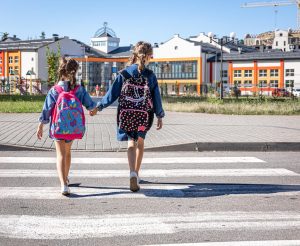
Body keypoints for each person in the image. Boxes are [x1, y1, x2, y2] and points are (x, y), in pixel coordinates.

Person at [90, 41, 165, 192]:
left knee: (131, 143)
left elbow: (112, 94)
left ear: (134, 55)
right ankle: (136, 173)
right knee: (141, 143)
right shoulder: (150, 76)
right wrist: (159, 115)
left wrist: (99, 107)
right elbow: (156, 97)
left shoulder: (124, 74)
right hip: (144, 116)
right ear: (149, 56)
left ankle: (131, 172)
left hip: (127, 115)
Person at [36, 57, 97, 196]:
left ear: (60, 71)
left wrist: (40, 125)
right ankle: (66, 178)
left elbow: (47, 109)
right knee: (68, 153)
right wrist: (93, 110)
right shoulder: (78, 89)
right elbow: (90, 105)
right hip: (73, 128)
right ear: (74, 72)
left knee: (60, 155)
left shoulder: (55, 90)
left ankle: (63, 184)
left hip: (58, 128)